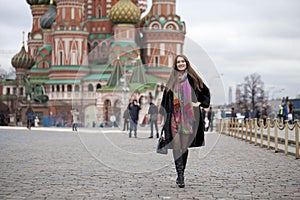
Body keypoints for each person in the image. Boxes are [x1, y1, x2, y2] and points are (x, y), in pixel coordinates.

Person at [159, 55, 210, 188]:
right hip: (174, 118)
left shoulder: (194, 79)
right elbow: (164, 101)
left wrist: (199, 103)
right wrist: (163, 119)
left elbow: (206, 92)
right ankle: (180, 175)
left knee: (184, 147)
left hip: (189, 118)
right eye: (178, 62)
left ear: (186, 63)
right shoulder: (172, 81)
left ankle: (181, 173)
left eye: (182, 61)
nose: (180, 64)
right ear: (175, 65)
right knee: (176, 145)